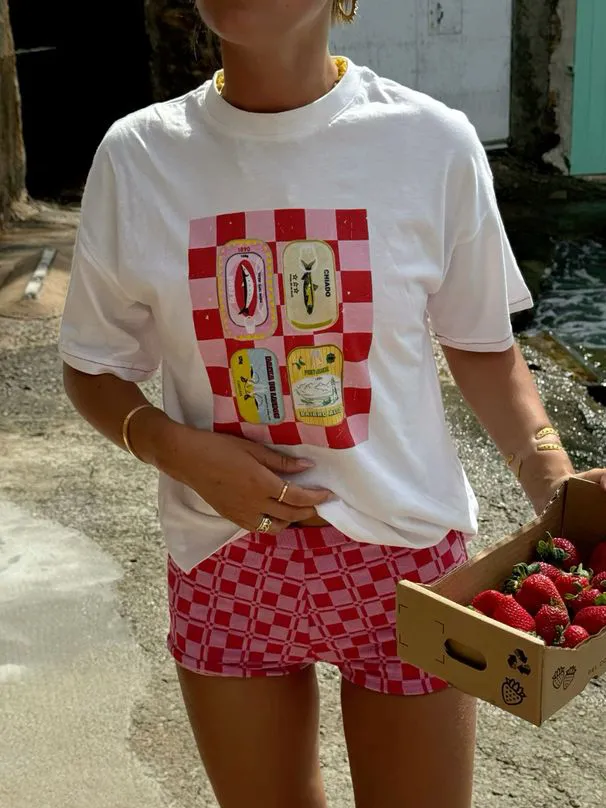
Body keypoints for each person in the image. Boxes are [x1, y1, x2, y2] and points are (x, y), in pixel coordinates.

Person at [59, 1, 606, 806]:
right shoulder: (138, 157)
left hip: (409, 560)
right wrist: (175, 448)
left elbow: (483, 345)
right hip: (223, 558)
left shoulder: (433, 143)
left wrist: (558, 487)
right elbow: (91, 366)